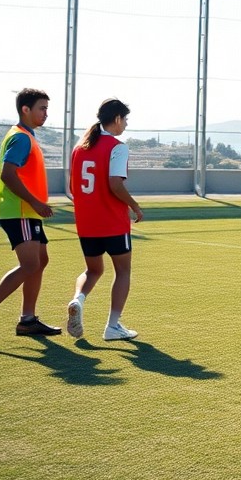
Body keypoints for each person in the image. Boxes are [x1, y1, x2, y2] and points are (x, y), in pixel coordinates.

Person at [0, 88, 60, 342]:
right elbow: (8, 174)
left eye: (47, 108)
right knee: (30, 264)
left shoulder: (26, 135)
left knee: (40, 260)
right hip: (20, 211)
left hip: (27, 211)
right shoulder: (21, 137)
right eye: (42, 108)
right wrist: (35, 202)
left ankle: (28, 320)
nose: (46, 113)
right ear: (25, 109)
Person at [66, 98, 144, 341]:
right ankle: (112, 326)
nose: (126, 124)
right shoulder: (117, 147)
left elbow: (73, 188)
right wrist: (134, 205)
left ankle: (77, 300)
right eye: (125, 119)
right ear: (117, 118)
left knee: (93, 270)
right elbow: (115, 184)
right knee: (123, 271)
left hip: (86, 223)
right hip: (112, 222)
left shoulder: (79, 148)